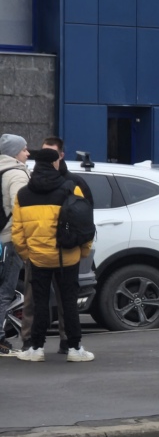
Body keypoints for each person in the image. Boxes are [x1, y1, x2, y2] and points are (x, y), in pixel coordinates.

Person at [12, 147, 94, 362]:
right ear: (55, 164)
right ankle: (75, 349)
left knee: (39, 303)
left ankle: (36, 348)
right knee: (69, 302)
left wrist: (26, 255)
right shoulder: (70, 188)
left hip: (38, 258)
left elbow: (17, 232)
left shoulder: (23, 194)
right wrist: (83, 251)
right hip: (67, 256)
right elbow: (84, 223)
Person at [0, 134, 30, 357]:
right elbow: (21, 208)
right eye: (24, 149)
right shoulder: (16, 173)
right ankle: (0, 341)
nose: (27, 153)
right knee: (5, 291)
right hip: (10, 239)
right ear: (14, 152)